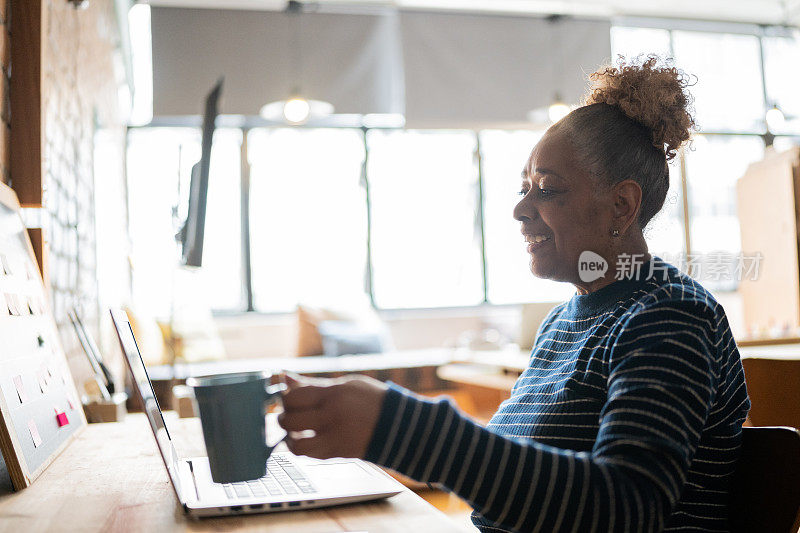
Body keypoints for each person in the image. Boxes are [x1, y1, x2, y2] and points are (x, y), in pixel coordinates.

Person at [277, 56, 750, 533]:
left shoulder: (669, 315)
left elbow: (627, 506)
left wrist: (408, 431)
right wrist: (375, 441)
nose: (520, 209)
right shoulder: (564, 321)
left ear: (622, 205)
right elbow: (523, 468)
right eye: (525, 188)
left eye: (547, 189)